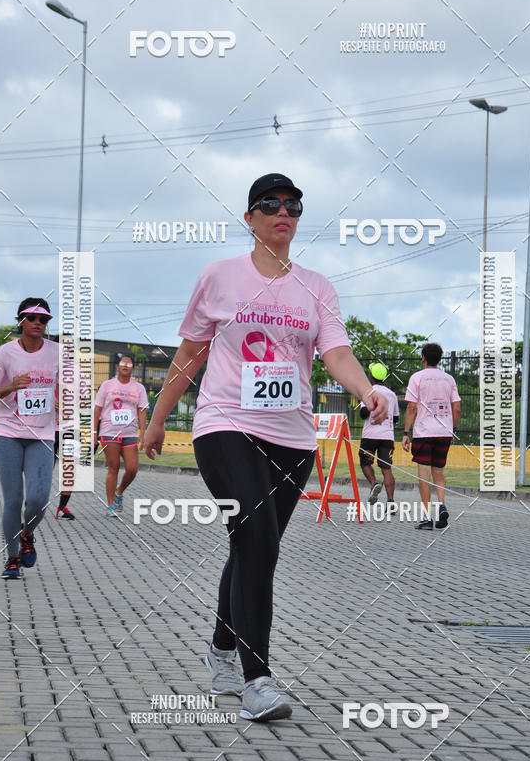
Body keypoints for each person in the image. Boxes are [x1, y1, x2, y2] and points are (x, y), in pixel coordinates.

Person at [144, 173, 389, 723]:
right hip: (225, 425)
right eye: (271, 204)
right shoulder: (219, 277)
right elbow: (189, 355)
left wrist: (366, 391)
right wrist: (157, 420)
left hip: (293, 437)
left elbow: (337, 354)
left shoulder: (317, 287)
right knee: (256, 539)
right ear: (250, 218)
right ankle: (258, 680)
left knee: (253, 546)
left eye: (293, 205)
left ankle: (221, 649)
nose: (284, 212)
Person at [0, 298, 58, 578]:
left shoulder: (58, 353)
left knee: (39, 498)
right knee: (14, 498)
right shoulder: (3, 354)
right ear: (21, 320)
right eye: (32, 317)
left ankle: (27, 533)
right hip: (6, 432)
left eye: (44, 319)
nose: (38, 323)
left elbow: (72, 387)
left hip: (42, 434)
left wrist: (64, 398)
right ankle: (12, 557)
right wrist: (11, 387)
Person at [402, 343, 461, 530]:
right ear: (440, 358)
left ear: (423, 358)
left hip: (424, 433)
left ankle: (427, 517)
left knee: (424, 476)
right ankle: (441, 505)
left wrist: (405, 432)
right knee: (439, 472)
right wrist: (453, 429)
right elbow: (457, 407)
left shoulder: (417, 377)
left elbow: (411, 407)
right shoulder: (449, 379)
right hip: (444, 433)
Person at [93, 355, 148, 517]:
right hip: (109, 431)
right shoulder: (107, 385)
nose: (125, 365)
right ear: (117, 366)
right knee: (114, 467)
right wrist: (94, 433)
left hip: (130, 432)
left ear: (133, 368)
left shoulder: (139, 388)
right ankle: (110, 505)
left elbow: (142, 410)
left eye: (129, 363)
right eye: (123, 362)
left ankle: (119, 491)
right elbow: (97, 409)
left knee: (132, 469)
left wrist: (143, 434)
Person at [358, 361, 399, 505]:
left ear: (371, 376)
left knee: (365, 462)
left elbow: (363, 414)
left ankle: (374, 483)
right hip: (387, 437)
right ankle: (391, 501)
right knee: (386, 469)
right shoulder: (392, 394)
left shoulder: (368, 392)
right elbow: (396, 418)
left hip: (370, 436)